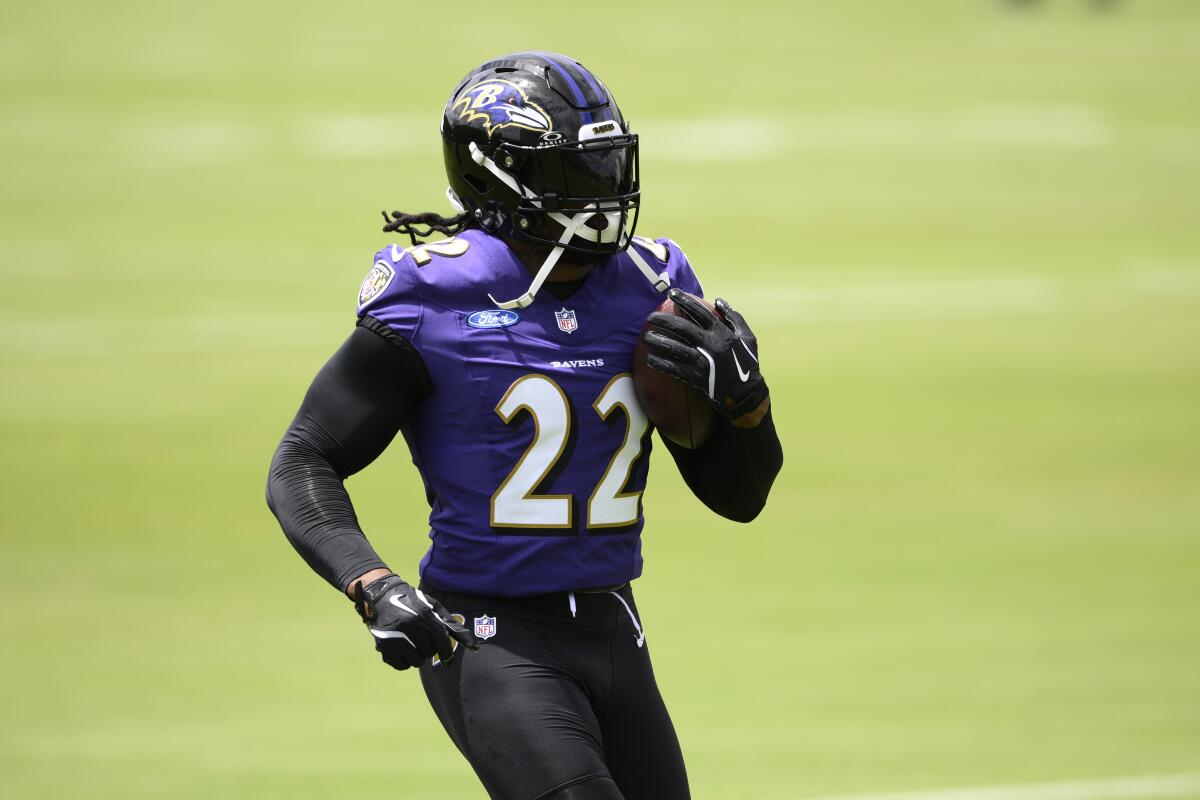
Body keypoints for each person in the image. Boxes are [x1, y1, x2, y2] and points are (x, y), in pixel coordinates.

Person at [267, 51, 783, 800]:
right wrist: (372, 583)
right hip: (487, 639)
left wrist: (748, 408)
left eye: (609, 162)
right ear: (500, 178)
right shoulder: (433, 298)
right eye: (579, 171)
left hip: (615, 628)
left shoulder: (653, 285)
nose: (606, 191)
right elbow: (303, 459)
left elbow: (741, 498)